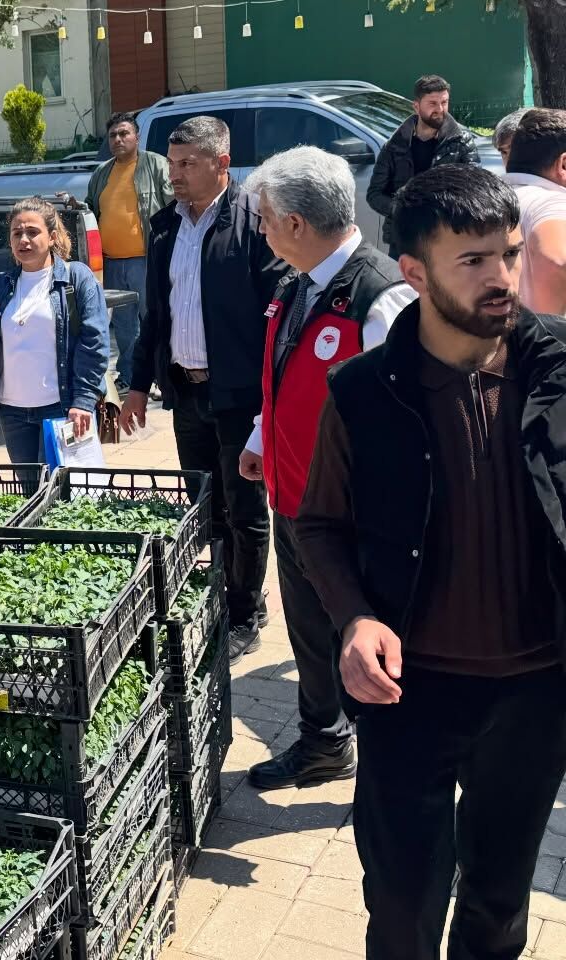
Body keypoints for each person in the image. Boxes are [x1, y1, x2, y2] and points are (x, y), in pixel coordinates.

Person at [295, 163, 566, 960]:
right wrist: (355, 617)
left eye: (510, 254)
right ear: (413, 272)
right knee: (406, 906)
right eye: (474, 261)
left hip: (537, 692)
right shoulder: (364, 392)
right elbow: (318, 523)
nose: (502, 279)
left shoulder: (557, 367)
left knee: (498, 904)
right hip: (410, 693)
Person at [236, 146, 417, 792]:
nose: (260, 231)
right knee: (311, 636)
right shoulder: (295, 285)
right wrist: (262, 436)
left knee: (366, 642)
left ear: (294, 224)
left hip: (356, 522)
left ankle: (399, 771)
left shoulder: (381, 299)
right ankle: (323, 744)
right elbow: (284, 378)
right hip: (294, 504)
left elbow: (412, 424)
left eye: (263, 219)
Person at [120, 116, 286, 658]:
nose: (176, 175)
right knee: (203, 504)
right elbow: (155, 314)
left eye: (187, 163)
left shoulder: (251, 222)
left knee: (245, 509)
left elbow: (276, 314)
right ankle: (217, 596)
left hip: (238, 396)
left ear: (222, 161)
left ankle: (246, 612)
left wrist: (271, 394)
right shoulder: (166, 224)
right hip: (185, 394)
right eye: (172, 164)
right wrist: (138, 384)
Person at [0, 196, 110, 463]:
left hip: (61, 408)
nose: (23, 239)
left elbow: (94, 344)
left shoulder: (76, 278)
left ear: (51, 237)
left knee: (67, 497)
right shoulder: (0, 286)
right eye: (17, 233)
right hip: (13, 412)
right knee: (28, 496)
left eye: (32, 232)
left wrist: (83, 401)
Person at [85, 112, 173, 392]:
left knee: (153, 318)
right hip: (112, 264)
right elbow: (90, 209)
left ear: (136, 137)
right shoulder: (101, 173)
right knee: (123, 326)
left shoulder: (156, 165)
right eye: (113, 135)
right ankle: (130, 377)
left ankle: (159, 376)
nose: (118, 139)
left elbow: (173, 208)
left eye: (124, 133)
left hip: (146, 261)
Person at [367, 75, 480, 258]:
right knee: (401, 287)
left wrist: (442, 211)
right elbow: (374, 194)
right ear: (416, 106)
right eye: (432, 103)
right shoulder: (395, 145)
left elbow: (475, 190)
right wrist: (404, 209)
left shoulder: (461, 142)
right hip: (404, 239)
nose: (440, 109)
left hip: (446, 239)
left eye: (444, 102)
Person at [505, 107, 566, 316]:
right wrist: (553, 328)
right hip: (548, 342)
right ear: (564, 164)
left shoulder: (490, 198)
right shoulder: (554, 202)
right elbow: (556, 262)